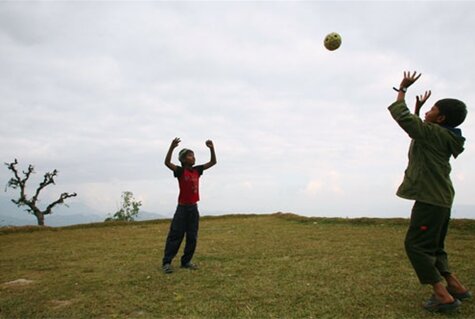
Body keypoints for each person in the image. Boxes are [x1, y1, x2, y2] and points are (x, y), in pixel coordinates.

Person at [388, 71, 471, 312]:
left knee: (415, 245)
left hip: (430, 198)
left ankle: (442, 295)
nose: (428, 111)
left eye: (432, 109)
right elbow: (417, 132)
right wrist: (418, 110)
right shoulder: (442, 135)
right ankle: (456, 286)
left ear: (441, 118)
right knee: (435, 246)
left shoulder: (434, 133)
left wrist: (402, 89)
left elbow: (403, 118)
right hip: (441, 198)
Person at [162, 137, 217, 274]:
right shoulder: (180, 171)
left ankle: (186, 261)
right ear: (183, 159)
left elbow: (213, 162)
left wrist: (211, 148)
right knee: (176, 235)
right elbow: (167, 162)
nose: (193, 158)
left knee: (192, 236)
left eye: (193, 156)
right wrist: (172, 147)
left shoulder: (197, 170)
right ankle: (167, 262)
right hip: (182, 209)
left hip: (193, 208)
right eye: (190, 156)